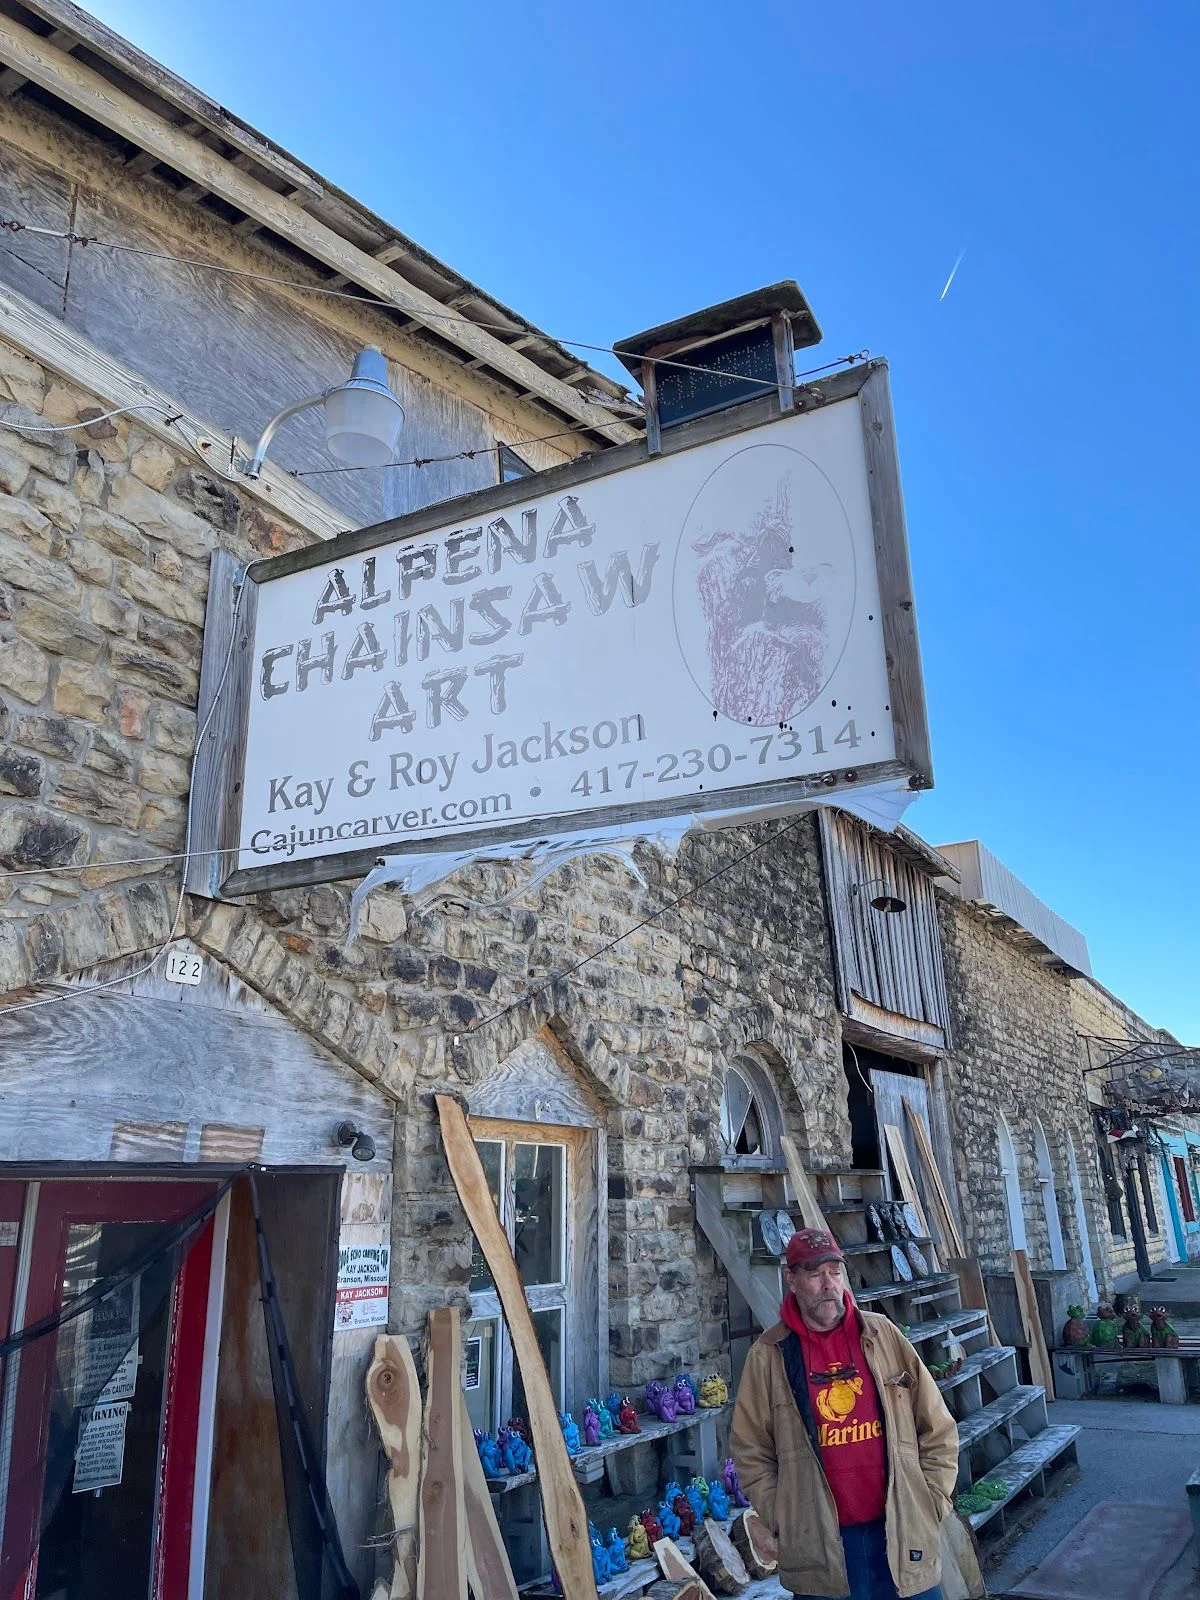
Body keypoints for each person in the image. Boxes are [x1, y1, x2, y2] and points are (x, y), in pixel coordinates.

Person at [730, 1227, 958, 1599]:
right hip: (821, 1544)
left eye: (835, 1272)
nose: (828, 1284)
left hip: (900, 1529)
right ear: (792, 1279)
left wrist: (931, 1499)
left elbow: (938, 1428)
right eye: (815, 1274)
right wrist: (783, 1517)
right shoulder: (769, 1354)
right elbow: (749, 1449)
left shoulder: (883, 1336)